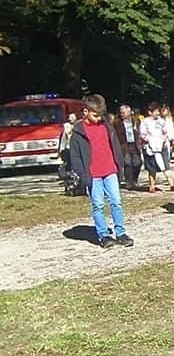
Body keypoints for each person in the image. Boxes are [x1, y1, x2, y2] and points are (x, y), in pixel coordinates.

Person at [69, 94, 135, 249]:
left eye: (100, 115)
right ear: (86, 112)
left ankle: (121, 233)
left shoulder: (107, 126)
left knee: (116, 202)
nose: (98, 118)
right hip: (93, 174)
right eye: (95, 115)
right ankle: (104, 235)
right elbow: (75, 156)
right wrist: (83, 175)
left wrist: (119, 165)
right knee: (98, 205)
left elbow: (115, 146)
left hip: (110, 170)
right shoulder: (78, 132)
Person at [139, 101, 174, 192]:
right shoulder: (144, 122)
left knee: (165, 165)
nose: (157, 113)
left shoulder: (161, 121)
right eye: (155, 111)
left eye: (158, 111)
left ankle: (171, 184)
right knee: (152, 168)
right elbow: (142, 135)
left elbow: (165, 132)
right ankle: (152, 186)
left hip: (162, 146)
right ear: (150, 112)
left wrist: (163, 139)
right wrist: (152, 141)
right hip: (150, 148)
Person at [113, 104, 142, 190]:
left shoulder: (135, 120)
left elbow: (138, 131)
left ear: (129, 112)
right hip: (124, 145)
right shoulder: (117, 122)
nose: (122, 114)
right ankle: (128, 182)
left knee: (137, 163)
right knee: (127, 162)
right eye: (121, 113)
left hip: (134, 144)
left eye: (124, 113)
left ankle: (134, 179)